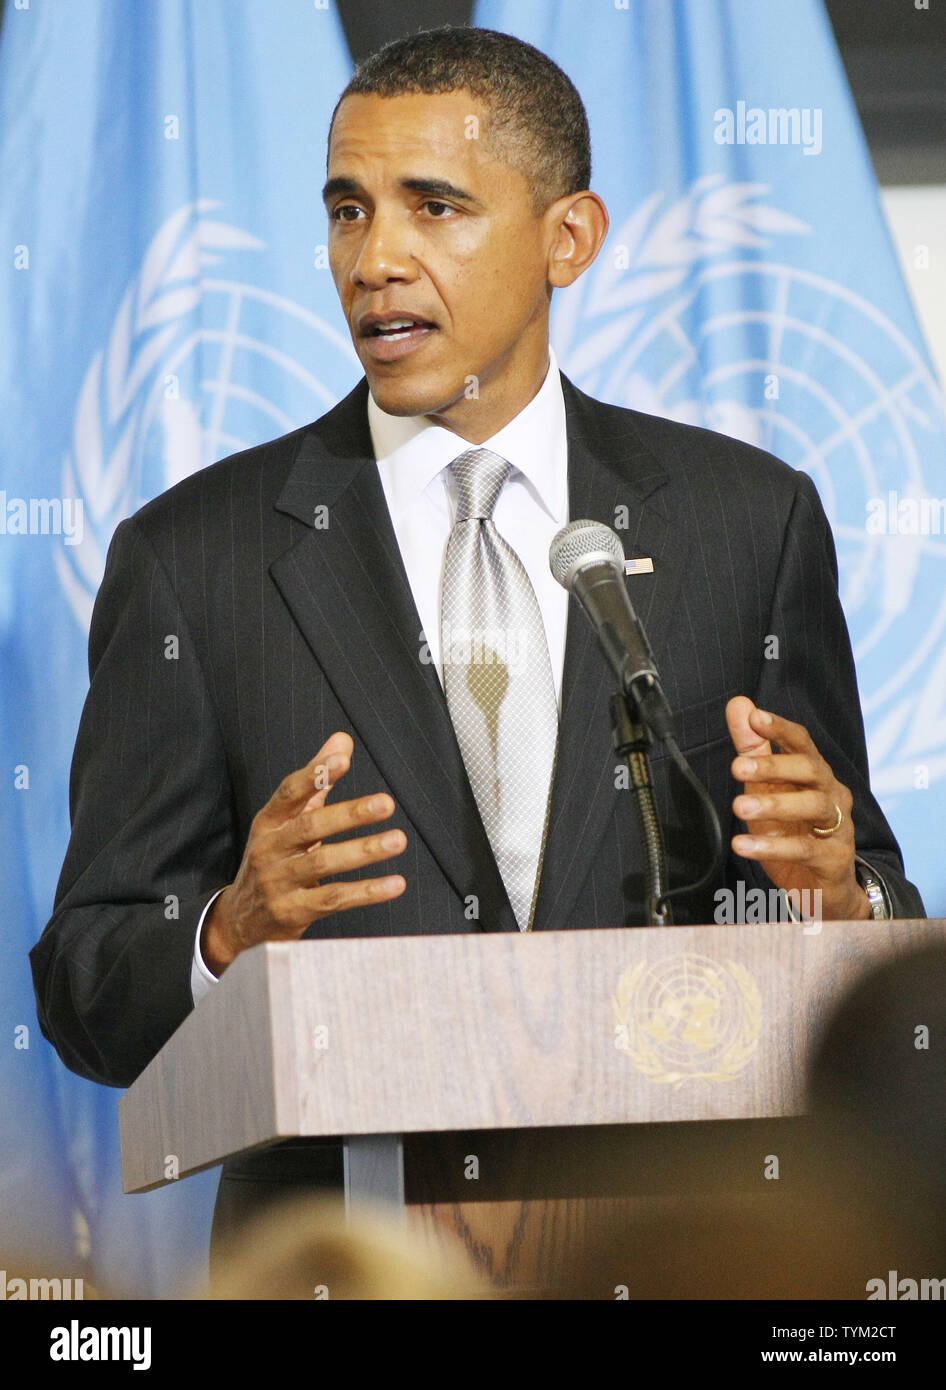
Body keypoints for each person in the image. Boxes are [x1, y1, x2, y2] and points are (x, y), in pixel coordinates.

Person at [30, 26, 924, 1252]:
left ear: (570, 238)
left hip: (677, 1250)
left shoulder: (745, 524)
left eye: (432, 207)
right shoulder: (195, 558)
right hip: (343, 1256)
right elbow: (86, 988)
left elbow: (867, 911)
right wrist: (227, 933)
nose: (374, 259)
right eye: (347, 211)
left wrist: (843, 893)